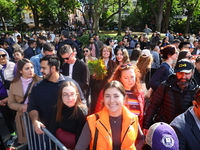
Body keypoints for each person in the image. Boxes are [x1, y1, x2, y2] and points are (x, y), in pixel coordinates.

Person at [75, 81, 144, 150]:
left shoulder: (132, 119)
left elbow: (141, 139)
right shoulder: (93, 121)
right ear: (103, 98)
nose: (111, 100)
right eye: (107, 96)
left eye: (116, 96)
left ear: (124, 98)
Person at [28, 55, 85, 134]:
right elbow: (32, 106)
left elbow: (81, 104)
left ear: (53, 68)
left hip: (68, 135)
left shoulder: (71, 84)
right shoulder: (37, 87)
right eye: (41, 68)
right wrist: (35, 121)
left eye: (44, 68)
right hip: (45, 132)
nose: (41, 70)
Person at [143, 59, 199, 133]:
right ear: (176, 73)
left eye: (187, 73)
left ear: (192, 73)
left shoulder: (196, 90)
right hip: (164, 128)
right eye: (180, 73)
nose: (183, 76)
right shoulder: (165, 86)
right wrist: (146, 126)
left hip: (185, 131)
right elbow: (154, 105)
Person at [8, 58, 42, 144]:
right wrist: (22, 107)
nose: (31, 70)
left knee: (40, 140)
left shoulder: (40, 81)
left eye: (32, 67)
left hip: (39, 116)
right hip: (22, 117)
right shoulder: (13, 84)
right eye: (27, 68)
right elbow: (10, 103)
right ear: (20, 71)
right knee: (29, 141)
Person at [50, 81, 88, 149]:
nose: (69, 98)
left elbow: (80, 138)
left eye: (72, 94)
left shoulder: (82, 112)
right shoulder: (57, 109)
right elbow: (53, 130)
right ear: (61, 96)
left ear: (77, 95)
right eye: (65, 95)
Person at [90, 46, 116, 113]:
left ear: (110, 53)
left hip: (109, 87)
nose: (106, 53)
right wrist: (94, 75)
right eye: (104, 51)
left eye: (107, 51)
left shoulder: (113, 63)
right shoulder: (96, 62)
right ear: (101, 53)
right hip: (98, 88)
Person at [0, 48, 16, 145]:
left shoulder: (13, 66)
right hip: (1, 100)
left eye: (3, 55)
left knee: (15, 116)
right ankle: (12, 133)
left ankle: (20, 134)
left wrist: (8, 98)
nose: (2, 57)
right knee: (7, 117)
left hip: (12, 97)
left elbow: (17, 83)